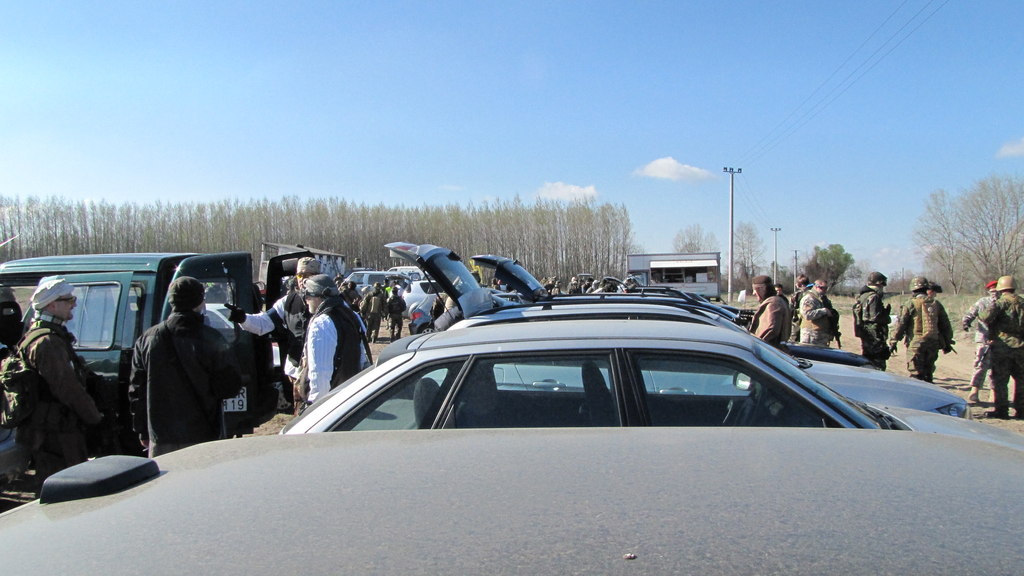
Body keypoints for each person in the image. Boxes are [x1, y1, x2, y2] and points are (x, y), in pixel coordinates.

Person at [129, 276, 243, 457]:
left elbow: (137, 390)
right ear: (199, 301)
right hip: (202, 433)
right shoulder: (211, 338)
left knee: (166, 476)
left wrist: (142, 430)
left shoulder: (147, 339)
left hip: (160, 436)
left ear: (171, 301)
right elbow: (230, 386)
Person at [17, 279, 102, 491]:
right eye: (69, 300)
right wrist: (94, 418)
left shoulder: (44, 336)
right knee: (66, 490)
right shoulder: (47, 342)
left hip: (55, 430)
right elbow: (67, 388)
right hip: (56, 434)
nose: (74, 304)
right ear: (52, 305)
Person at [225, 256, 321, 409]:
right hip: (297, 373)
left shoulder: (332, 302)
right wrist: (243, 318)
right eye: (300, 275)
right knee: (303, 417)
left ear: (318, 277)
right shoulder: (287, 302)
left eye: (308, 275)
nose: (303, 280)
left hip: (324, 373)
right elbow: (263, 323)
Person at [295, 274, 370, 412]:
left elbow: (320, 374)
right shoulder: (352, 315)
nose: (306, 300)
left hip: (330, 406)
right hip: (349, 398)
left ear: (319, 297)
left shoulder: (322, 323)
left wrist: (315, 408)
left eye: (308, 295)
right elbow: (361, 361)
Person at [888, 276, 954, 383]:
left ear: (913, 289)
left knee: (916, 376)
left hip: (916, 345)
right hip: (932, 343)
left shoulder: (910, 303)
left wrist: (893, 341)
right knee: (928, 374)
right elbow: (946, 326)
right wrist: (947, 342)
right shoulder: (936, 304)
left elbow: (901, 324)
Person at [978, 276, 1024, 419]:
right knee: (1021, 380)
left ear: (1000, 288)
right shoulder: (1022, 302)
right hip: (1021, 346)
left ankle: (1002, 411)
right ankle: (1021, 410)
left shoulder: (1000, 303)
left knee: (1000, 380)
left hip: (1002, 346)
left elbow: (984, 316)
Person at [962, 280, 999, 403]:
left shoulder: (1003, 303)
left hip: (999, 341)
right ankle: (974, 391)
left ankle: (993, 393)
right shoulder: (982, 302)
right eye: (992, 291)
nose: (994, 293)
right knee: (980, 365)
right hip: (983, 339)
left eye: (996, 291)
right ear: (988, 291)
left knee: (997, 367)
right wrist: (966, 322)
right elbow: (970, 314)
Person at [853, 272, 892, 370]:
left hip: (866, 334)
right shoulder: (874, 297)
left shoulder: (863, 295)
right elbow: (874, 317)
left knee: (868, 361)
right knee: (877, 364)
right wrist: (886, 316)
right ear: (879, 283)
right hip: (874, 336)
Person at [748, 275, 791, 347]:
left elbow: (772, 329)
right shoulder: (775, 301)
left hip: (771, 349)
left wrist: (759, 344)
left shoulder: (774, 304)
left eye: (755, 290)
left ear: (761, 290)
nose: (754, 293)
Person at [799, 279, 834, 347]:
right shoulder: (809, 298)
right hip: (810, 336)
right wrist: (823, 311)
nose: (825, 290)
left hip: (820, 335)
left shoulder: (822, 299)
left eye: (826, 288)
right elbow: (807, 315)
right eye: (822, 288)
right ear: (816, 287)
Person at [789, 275, 812, 342]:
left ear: (799, 285)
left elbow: (791, 308)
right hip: (810, 323)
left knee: (794, 340)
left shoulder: (796, 294)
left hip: (797, 321)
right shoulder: (813, 294)